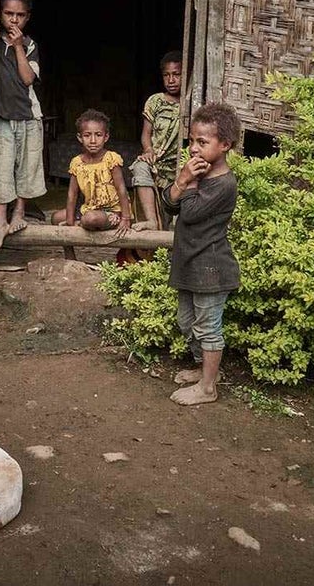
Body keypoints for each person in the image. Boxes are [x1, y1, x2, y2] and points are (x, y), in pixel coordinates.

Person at [161, 102, 242, 406]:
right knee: (187, 321)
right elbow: (169, 206)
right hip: (190, 264)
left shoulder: (224, 184)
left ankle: (208, 388)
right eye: (192, 141)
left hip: (211, 268)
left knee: (208, 328)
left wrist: (186, 182)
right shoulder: (197, 175)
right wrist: (182, 182)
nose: (194, 148)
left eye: (202, 142)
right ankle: (204, 371)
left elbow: (190, 212)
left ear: (225, 145)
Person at [0, 0, 46, 252]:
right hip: (2, 117)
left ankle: (18, 214)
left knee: (27, 166)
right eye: (9, 14)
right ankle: (0, 221)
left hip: (29, 116)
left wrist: (19, 46)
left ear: (28, 18)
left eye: (19, 15)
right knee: (2, 168)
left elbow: (27, 78)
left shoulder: (30, 45)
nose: (13, 20)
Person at [53, 109, 132, 232]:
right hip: (87, 209)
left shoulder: (111, 159)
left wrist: (125, 218)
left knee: (90, 219)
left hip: (111, 212)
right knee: (56, 217)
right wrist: (69, 221)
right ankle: (70, 250)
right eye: (87, 135)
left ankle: (83, 223)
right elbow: (72, 194)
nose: (93, 140)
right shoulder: (77, 163)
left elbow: (121, 189)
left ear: (106, 137)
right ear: (80, 138)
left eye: (98, 135)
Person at [131, 51, 183, 230]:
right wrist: (148, 150)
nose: (171, 80)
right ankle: (151, 221)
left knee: (168, 219)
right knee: (140, 167)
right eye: (166, 75)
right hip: (157, 161)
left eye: (176, 74)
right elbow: (146, 133)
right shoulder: (155, 101)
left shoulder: (192, 103)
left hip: (179, 166)